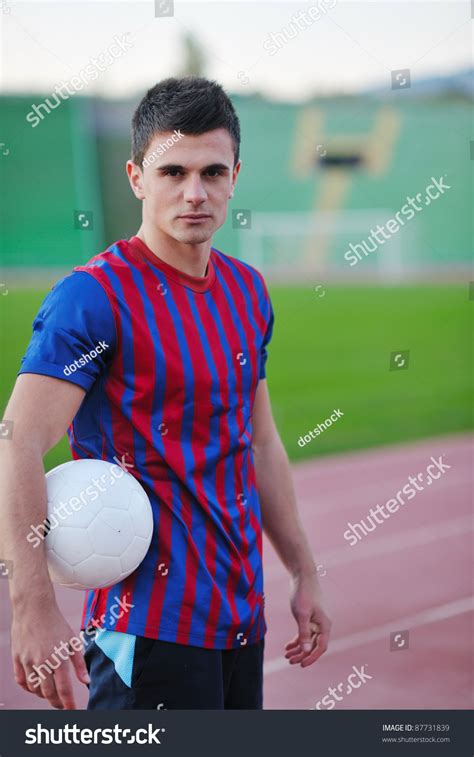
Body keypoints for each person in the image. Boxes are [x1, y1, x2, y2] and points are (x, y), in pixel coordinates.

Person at [1, 76, 331, 710]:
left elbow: (259, 442)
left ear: (236, 174)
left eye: (212, 172)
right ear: (136, 177)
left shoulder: (247, 292)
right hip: (146, 629)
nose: (194, 192)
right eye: (172, 171)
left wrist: (305, 572)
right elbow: (18, 442)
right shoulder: (94, 298)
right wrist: (32, 607)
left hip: (239, 616)